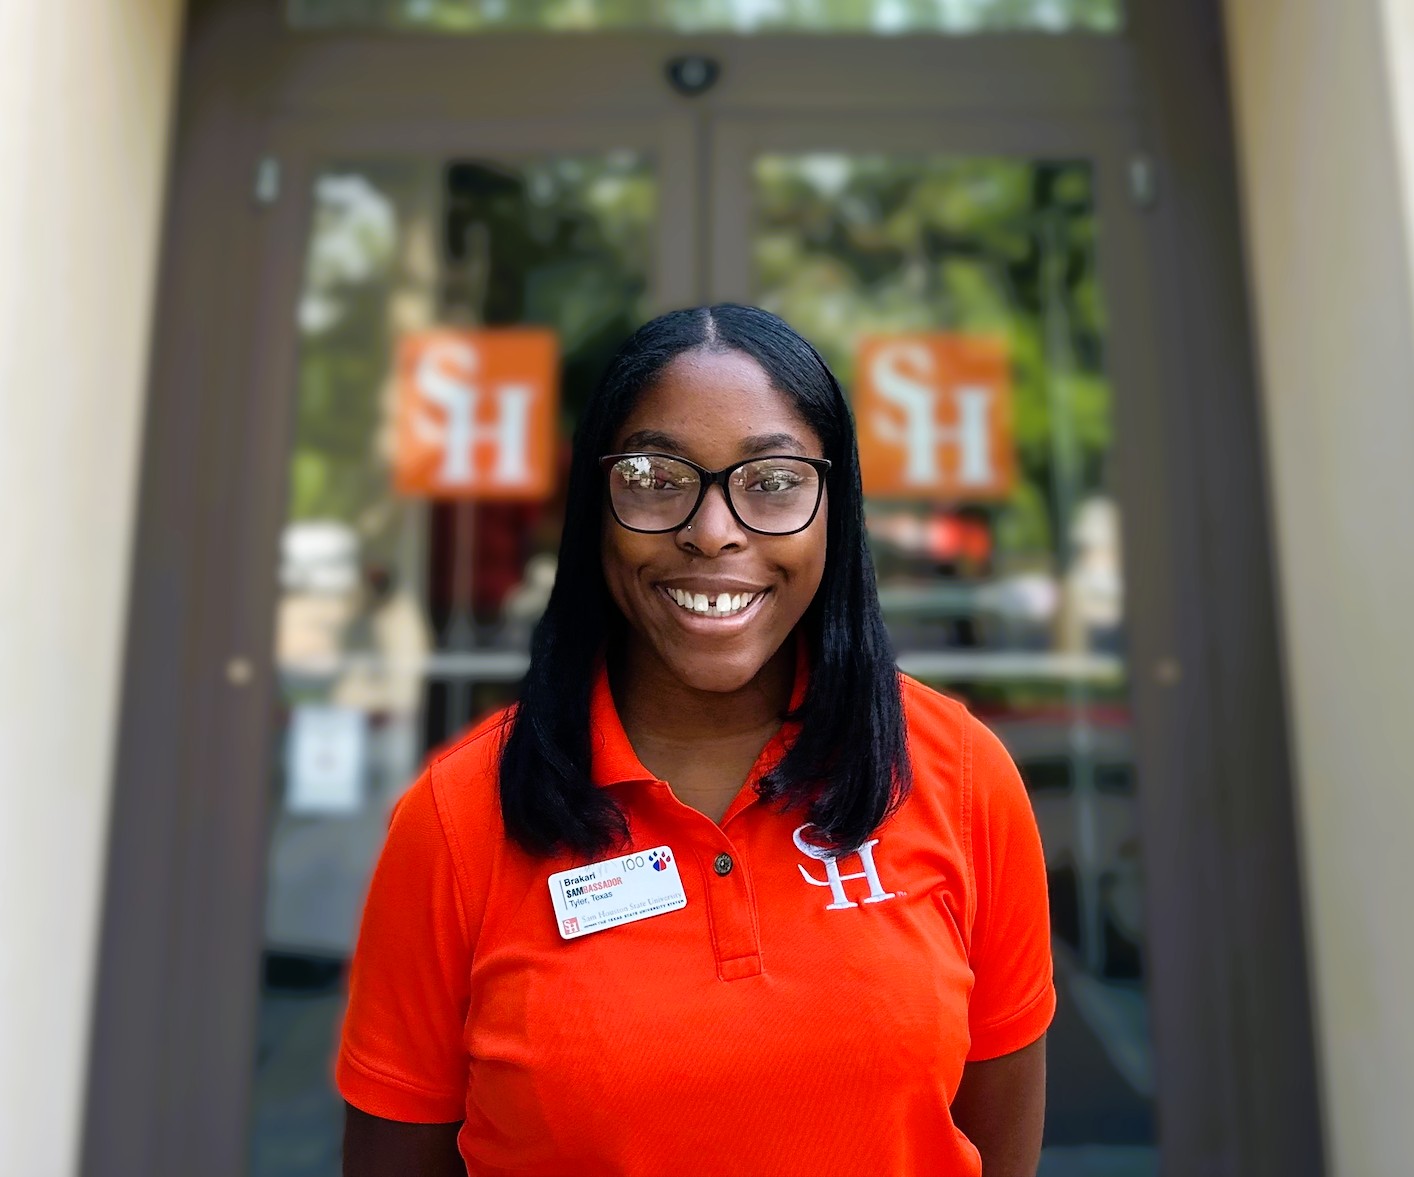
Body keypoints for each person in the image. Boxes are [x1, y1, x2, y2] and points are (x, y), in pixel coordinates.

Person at [337, 304, 1054, 1177]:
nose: (712, 529)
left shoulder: (962, 772)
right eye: (654, 474)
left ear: (838, 505)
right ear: (594, 507)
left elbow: (1000, 1145)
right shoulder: (456, 815)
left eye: (773, 479)